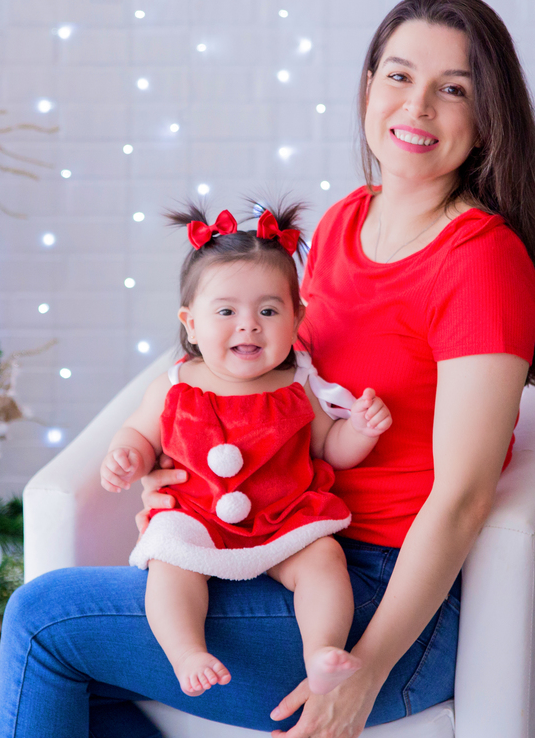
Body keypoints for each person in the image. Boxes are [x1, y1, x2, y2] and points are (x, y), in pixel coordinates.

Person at [0, 0, 535, 738]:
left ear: (486, 118)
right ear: (368, 87)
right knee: (87, 683)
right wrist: (188, 459)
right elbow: (273, 381)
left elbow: (463, 499)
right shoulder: (341, 223)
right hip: (284, 541)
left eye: (453, 89)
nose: (418, 107)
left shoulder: (482, 262)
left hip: (382, 604)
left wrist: (365, 667)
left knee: (43, 622)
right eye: (399, 76)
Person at [100, 202, 393, 698]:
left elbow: (331, 449)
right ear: (190, 323)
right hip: (197, 519)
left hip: (284, 519)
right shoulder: (174, 384)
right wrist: (128, 456)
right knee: (169, 567)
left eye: (269, 310)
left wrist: (361, 429)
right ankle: (186, 651)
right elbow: (140, 435)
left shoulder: (300, 385)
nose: (248, 325)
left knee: (324, 559)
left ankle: (322, 652)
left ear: (297, 318)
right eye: (226, 311)